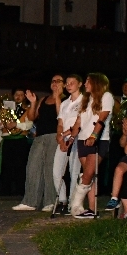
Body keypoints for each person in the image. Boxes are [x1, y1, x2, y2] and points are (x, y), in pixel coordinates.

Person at [13, 75, 65, 212]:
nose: (55, 83)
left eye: (59, 81)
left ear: (64, 84)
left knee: (50, 169)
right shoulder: (44, 99)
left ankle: (50, 201)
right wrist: (33, 102)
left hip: (55, 136)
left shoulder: (66, 100)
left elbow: (61, 116)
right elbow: (32, 118)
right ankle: (30, 201)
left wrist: (58, 96)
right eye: (53, 81)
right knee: (32, 167)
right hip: (40, 136)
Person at [69, 73, 114, 218]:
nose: (85, 84)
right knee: (90, 176)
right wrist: (71, 137)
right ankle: (92, 210)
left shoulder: (106, 96)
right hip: (82, 139)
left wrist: (94, 135)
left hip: (99, 139)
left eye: (88, 81)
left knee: (88, 173)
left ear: (96, 82)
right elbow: (78, 121)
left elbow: (103, 116)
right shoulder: (85, 99)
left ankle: (76, 203)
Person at [52, 74, 83, 215]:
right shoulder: (64, 103)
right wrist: (60, 137)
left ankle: (72, 202)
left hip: (76, 138)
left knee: (74, 170)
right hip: (63, 139)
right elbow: (60, 123)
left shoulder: (84, 101)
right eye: (67, 83)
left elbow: (80, 122)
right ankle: (62, 200)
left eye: (72, 83)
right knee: (57, 171)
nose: (69, 85)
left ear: (80, 84)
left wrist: (67, 137)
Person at [0, 89, 32, 197]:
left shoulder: (27, 109)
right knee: (6, 167)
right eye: (17, 95)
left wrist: (16, 125)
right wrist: (3, 124)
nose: (19, 97)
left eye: (21, 95)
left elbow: (29, 125)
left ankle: (19, 191)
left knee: (20, 167)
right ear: (13, 96)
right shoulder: (5, 108)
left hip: (20, 140)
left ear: (24, 97)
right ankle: (5, 191)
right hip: (7, 140)